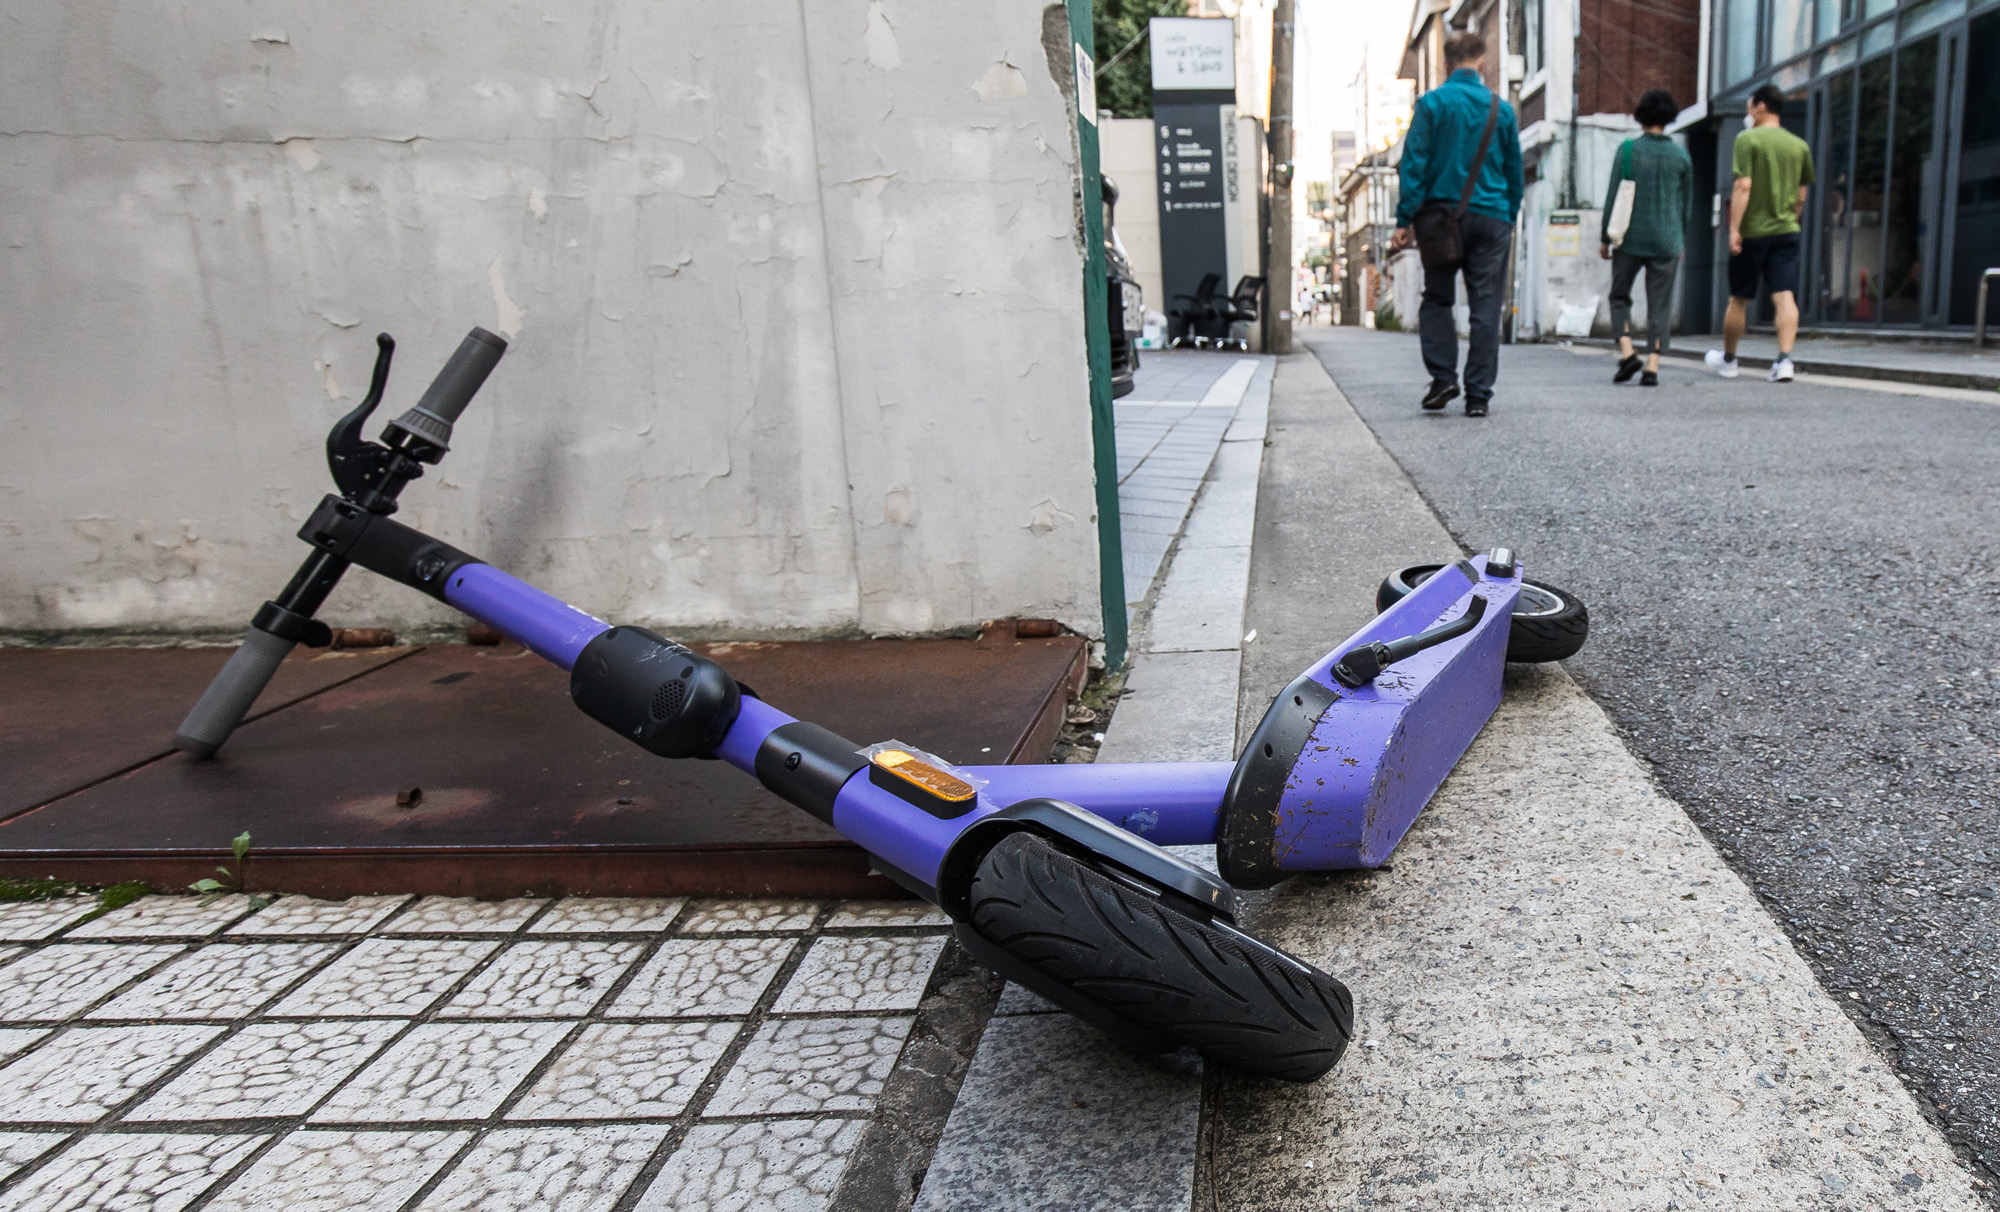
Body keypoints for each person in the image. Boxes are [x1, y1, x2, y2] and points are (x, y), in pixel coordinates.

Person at [1391, 31, 1523, 418]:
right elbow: (1515, 171)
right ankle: (1479, 394)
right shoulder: (1502, 109)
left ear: (1446, 63)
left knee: (1437, 298)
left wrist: (1404, 220)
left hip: (1440, 219)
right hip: (1492, 217)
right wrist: (1508, 215)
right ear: (1481, 61)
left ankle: (1443, 377)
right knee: (1486, 306)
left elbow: (1413, 164)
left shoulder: (1431, 104)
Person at [1705, 83, 1814, 382]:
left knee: (1739, 298)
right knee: (1784, 296)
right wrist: (1792, 218)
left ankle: (1728, 360)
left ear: (1762, 106)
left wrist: (1735, 229)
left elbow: (1743, 185)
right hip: (1786, 230)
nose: (1748, 114)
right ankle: (1784, 361)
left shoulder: (1747, 139)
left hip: (1753, 231)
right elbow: (1801, 194)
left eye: (1750, 107)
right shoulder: (1799, 145)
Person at [1600, 89, 1693, 388]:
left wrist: (1606, 237)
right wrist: (1681, 239)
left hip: (1629, 237)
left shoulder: (1627, 150)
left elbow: (1614, 195)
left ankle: (1627, 353)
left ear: (1641, 116)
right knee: (1659, 306)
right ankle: (1652, 366)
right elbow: (1686, 205)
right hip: (1667, 239)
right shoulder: (1681, 156)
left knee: (1619, 296)